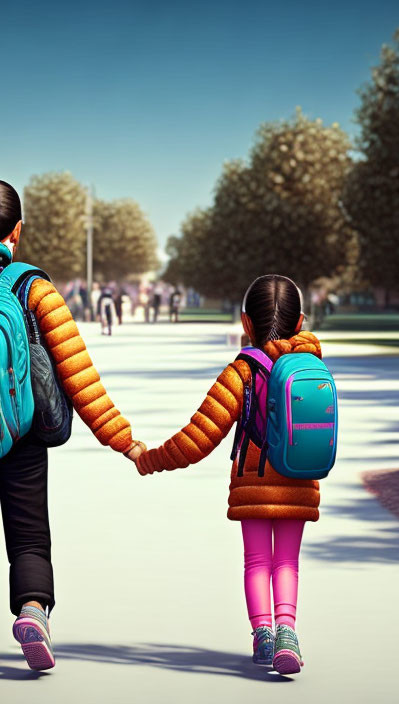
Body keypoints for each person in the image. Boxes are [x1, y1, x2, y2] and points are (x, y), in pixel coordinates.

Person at [0, 180, 145, 670]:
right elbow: (79, 376)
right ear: (18, 230)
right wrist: (127, 444)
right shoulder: (34, 287)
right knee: (28, 532)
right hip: (22, 432)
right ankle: (32, 610)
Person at [133, 274, 320, 675]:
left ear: (245, 323)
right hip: (300, 481)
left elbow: (198, 438)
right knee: (287, 562)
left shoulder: (241, 372)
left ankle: (264, 635)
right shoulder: (312, 368)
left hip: (253, 483)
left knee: (256, 560)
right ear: (300, 322)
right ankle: (289, 631)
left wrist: (151, 459)